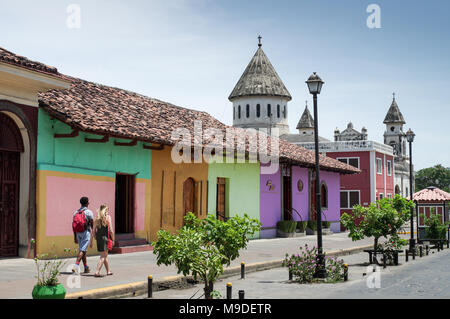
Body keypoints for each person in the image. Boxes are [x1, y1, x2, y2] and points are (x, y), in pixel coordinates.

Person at [72, 197, 94, 274]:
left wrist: (75, 237)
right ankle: (76, 265)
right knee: (82, 250)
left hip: (78, 233)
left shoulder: (75, 212)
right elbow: (92, 223)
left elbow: (73, 226)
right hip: (85, 232)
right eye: (88, 202)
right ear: (87, 203)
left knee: (83, 250)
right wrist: (93, 233)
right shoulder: (89, 212)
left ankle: (86, 267)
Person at [92, 204, 114, 277]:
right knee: (103, 256)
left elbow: (93, 231)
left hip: (99, 239)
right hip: (105, 238)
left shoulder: (97, 219)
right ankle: (97, 271)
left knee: (105, 255)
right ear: (105, 210)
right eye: (107, 210)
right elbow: (111, 230)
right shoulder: (108, 217)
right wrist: (113, 239)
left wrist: (94, 239)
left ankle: (108, 271)